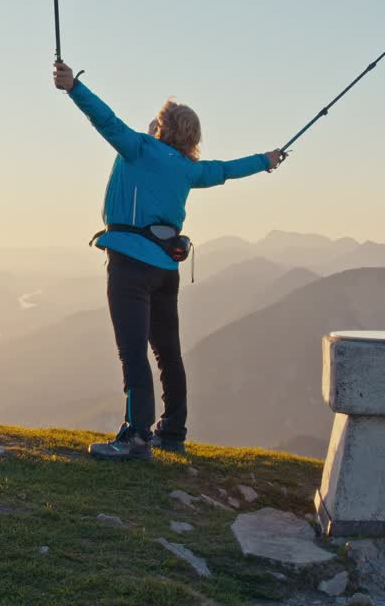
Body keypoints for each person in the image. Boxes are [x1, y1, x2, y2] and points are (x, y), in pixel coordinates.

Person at [53, 61, 284, 461]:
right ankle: (172, 431)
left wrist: (73, 87)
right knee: (167, 352)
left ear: (160, 126)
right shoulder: (190, 170)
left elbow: (104, 119)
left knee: (132, 352)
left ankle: (137, 437)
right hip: (166, 269)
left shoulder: (138, 149)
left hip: (129, 265)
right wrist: (266, 159)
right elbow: (228, 170)